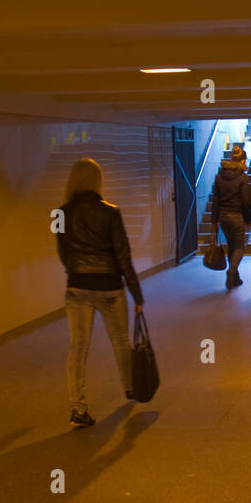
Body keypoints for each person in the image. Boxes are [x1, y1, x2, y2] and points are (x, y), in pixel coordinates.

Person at [55, 157, 145, 428]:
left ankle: (77, 407)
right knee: (120, 339)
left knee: (78, 347)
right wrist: (137, 296)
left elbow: (63, 253)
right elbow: (123, 256)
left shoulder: (60, 213)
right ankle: (130, 388)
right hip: (109, 288)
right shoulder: (110, 212)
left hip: (77, 287)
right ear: (97, 180)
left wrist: (77, 273)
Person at [211, 144, 251, 289]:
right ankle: (231, 271)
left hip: (223, 216)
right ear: (242, 161)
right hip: (237, 215)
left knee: (231, 246)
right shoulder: (243, 177)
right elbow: (245, 200)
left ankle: (235, 278)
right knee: (240, 248)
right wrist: (249, 219)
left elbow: (215, 199)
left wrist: (214, 219)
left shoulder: (219, 176)